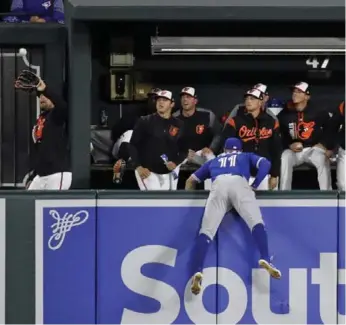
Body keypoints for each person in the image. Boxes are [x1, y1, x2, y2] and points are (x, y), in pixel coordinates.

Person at [185, 137, 281, 295]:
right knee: (256, 222)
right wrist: (255, 184)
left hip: (218, 185)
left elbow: (191, 180)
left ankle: (198, 270)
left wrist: (187, 200)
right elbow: (266, 164)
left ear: (224, 150)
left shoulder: (215, 161)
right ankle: (265, 257)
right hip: (238, 183)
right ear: (240, 149)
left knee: (206, 232)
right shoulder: (245, 156)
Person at [211, 88, 282, 190]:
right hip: (240, 173)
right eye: (247, 98)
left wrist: (274, 175)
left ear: (260, 102)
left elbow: (276, 150)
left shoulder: (271, 122)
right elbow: (226, 147)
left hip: (265, 173)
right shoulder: (235, 121)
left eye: (252, 99)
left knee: (266, 205)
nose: (248, 101)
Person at [15, 71, 71, 190]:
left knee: (54, 206)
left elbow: (63, 106)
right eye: (40, 96)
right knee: (27, 204)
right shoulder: (41, 119)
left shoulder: (56, 116)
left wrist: (44, 89)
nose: (42, 98)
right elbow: (40, 150)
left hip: (57, 174)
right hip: (41, 175)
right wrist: (35, 174)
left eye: (45, 96)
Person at [278, 82, 332, 190]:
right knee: (285, 157)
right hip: (294, 151)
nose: (294, 94)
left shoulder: (318, 111)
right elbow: (279, 134)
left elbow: (330, 128)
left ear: (307, 96)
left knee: (322, 159)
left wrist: (325, 145)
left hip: (313, 149)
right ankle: (284, 193)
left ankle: (326, 194)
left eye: (299, 92)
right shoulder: (285, 113)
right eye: (294, 91)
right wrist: (289, 144)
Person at [129, 90, 186, 190]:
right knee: (153, 203)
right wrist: (138, 167)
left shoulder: (179, 124)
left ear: (172, 104)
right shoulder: (145, 121)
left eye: (164, 100)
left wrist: (176, 162)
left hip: (169, 172)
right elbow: (132, 145)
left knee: (169, 203)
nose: (161, 102)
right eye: (159, 100)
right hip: (147, 172)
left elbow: (184, 149)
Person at [173, 87, 222, 189]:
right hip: (184, 158)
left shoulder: (207, 115)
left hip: (202, 155)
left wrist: (211, 148)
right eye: (182, 97)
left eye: (188, 97)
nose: (185, 100)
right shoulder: (174, 118)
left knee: (213, 164)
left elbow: (218, 134)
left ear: (195, 100)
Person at [111, 88, 161, 183]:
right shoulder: (135, 114)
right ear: (148, 99)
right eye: (152, 98)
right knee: (131, 134)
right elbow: (115, 131)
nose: (155, 101)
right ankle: (120, 165)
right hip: (123, 148)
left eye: (158, 99)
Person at [323, 101, 345, 190]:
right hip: (345, 150)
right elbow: (333, 126)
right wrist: (329, 147)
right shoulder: (343, 106)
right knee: (343, 185)